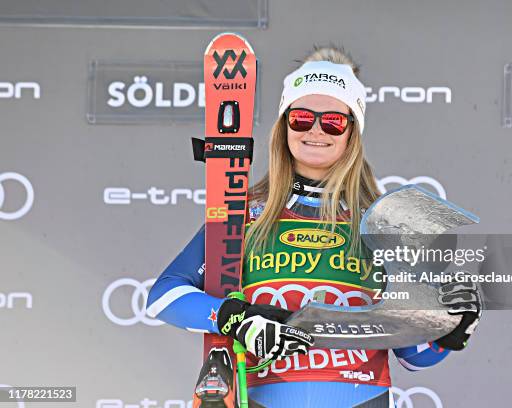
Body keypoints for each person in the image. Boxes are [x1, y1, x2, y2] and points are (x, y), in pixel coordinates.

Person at [146, 45, 481, 408]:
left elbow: (413, 355)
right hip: (261, 397)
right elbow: (163, 297)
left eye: (334, 121)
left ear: (353, 132)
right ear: (284, 126)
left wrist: (447, 331)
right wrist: (235, 318)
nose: (316, 130)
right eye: (302, 118)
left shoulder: (383, 222)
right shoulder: (244, 213)